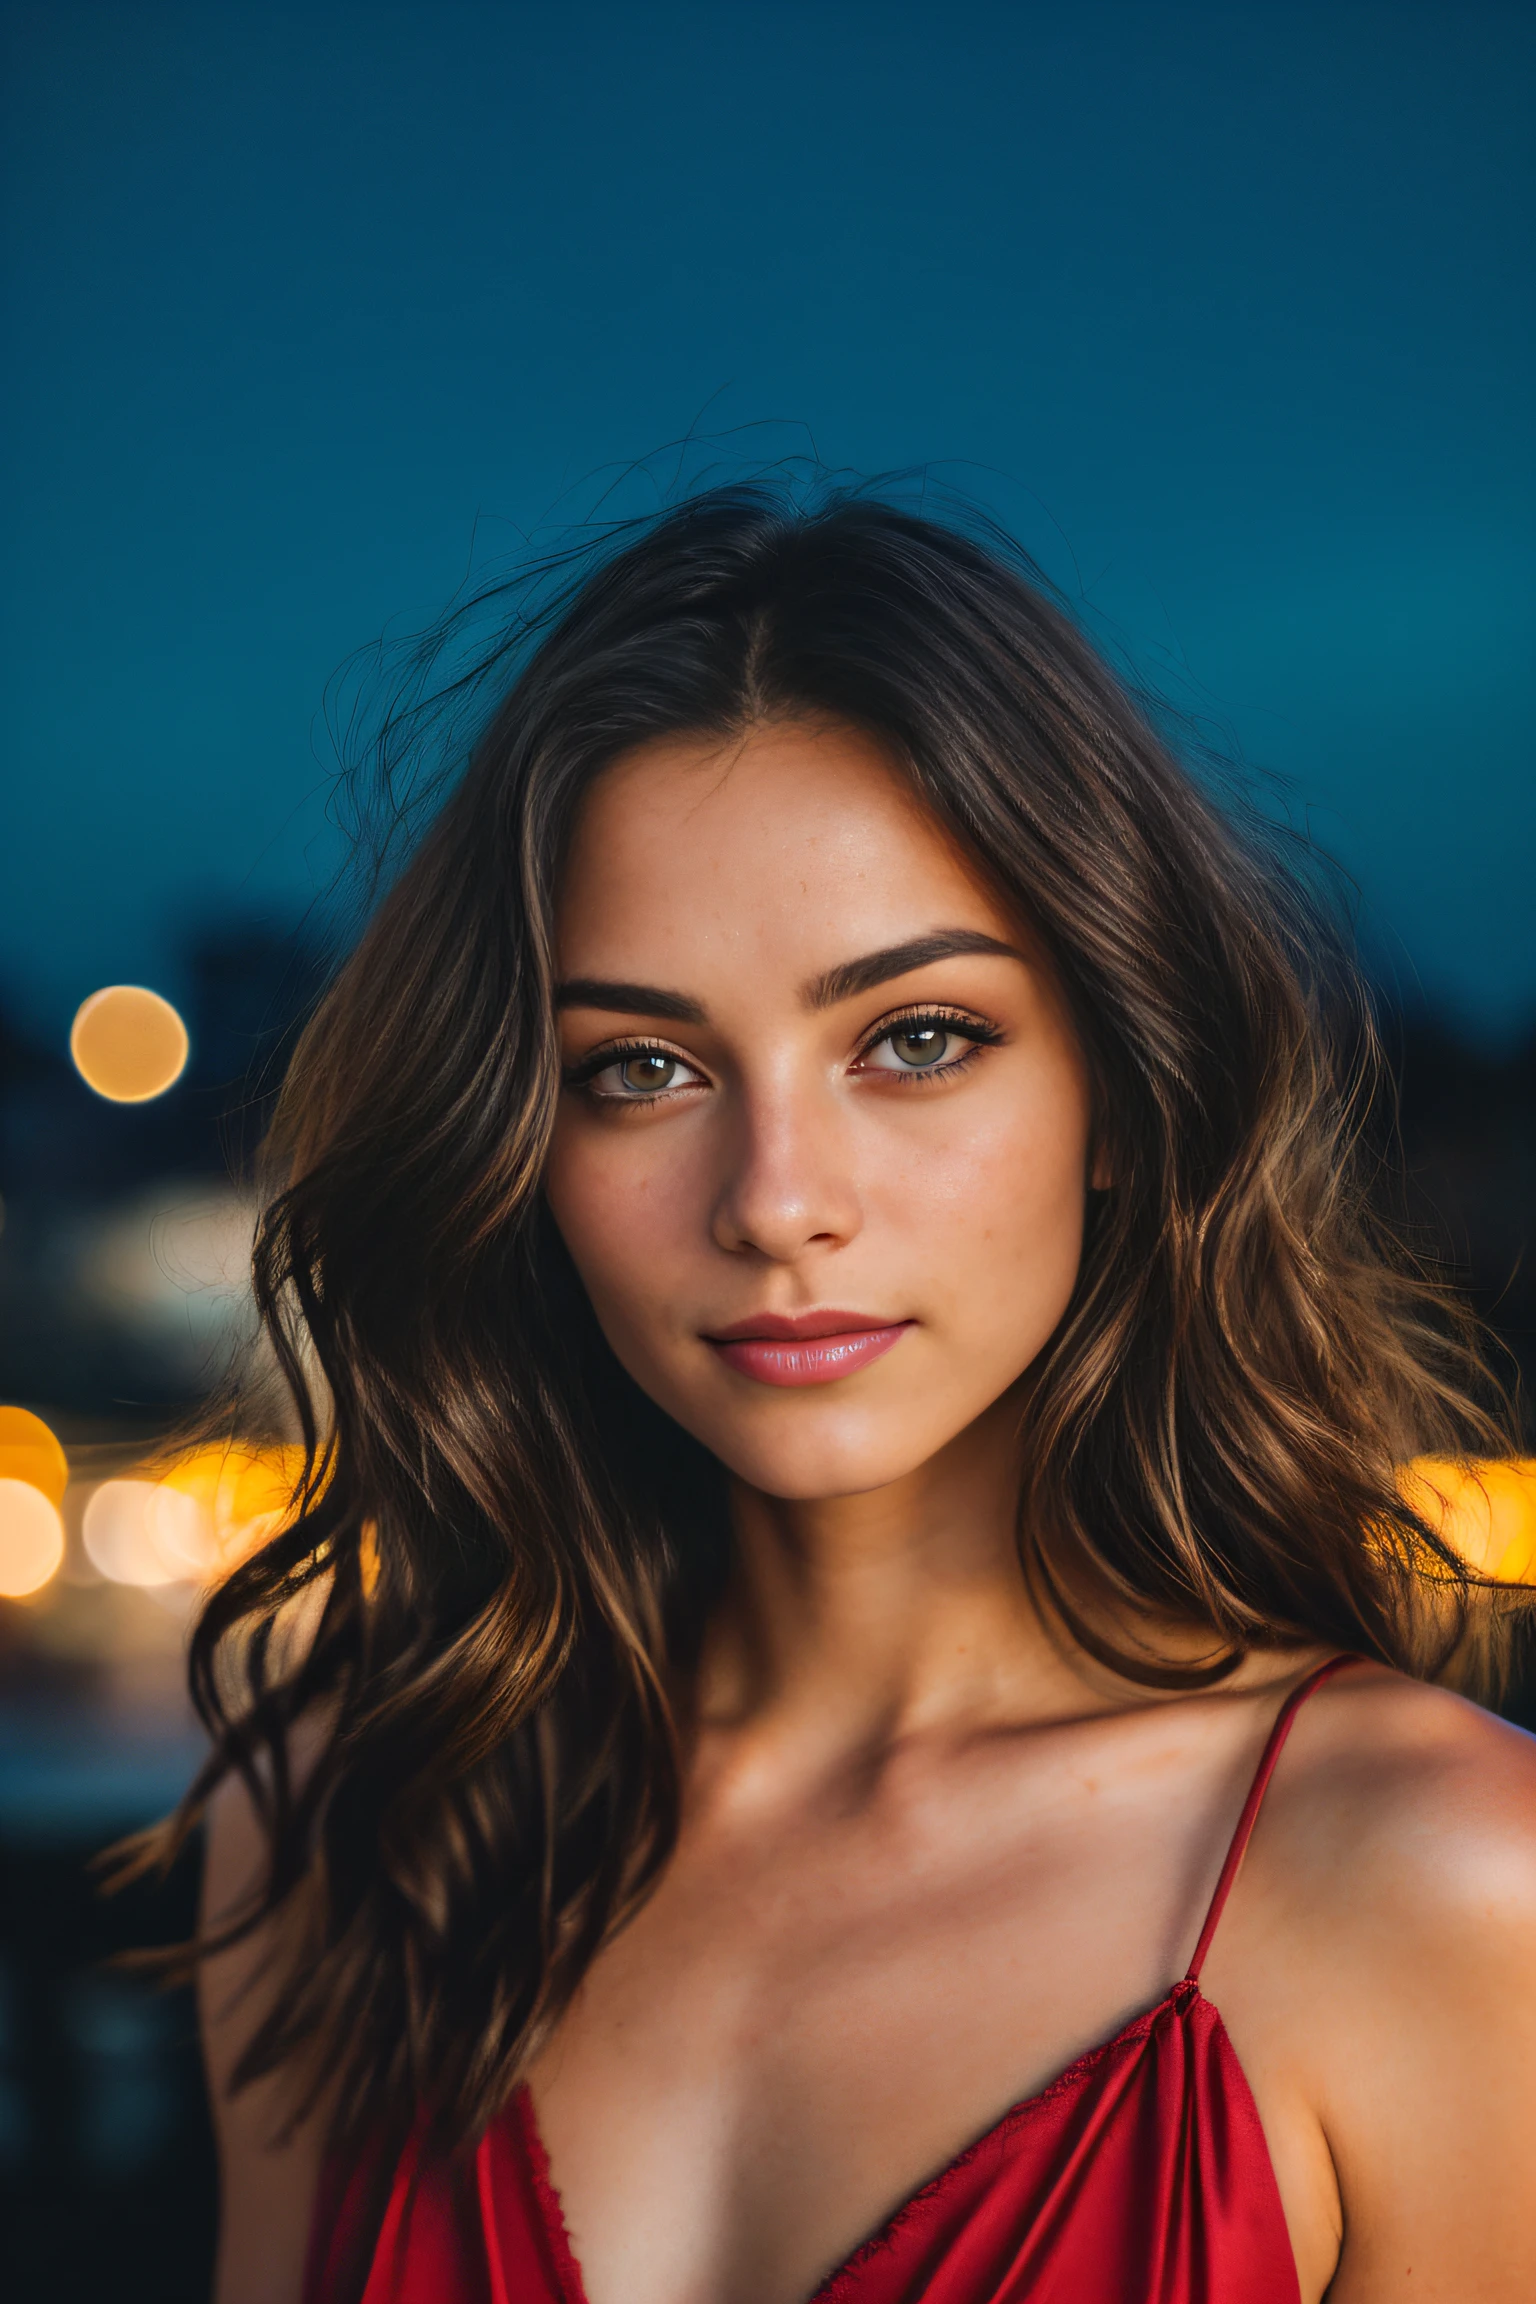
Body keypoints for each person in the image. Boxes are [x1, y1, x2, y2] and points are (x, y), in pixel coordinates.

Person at [183, 486, 1536, 2303]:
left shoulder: (1443, 1886)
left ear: (1123, 1092)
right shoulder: (351, 1827)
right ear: (524, 1143)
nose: (773, 1199)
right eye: (642, 1067)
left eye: (915, 1041)